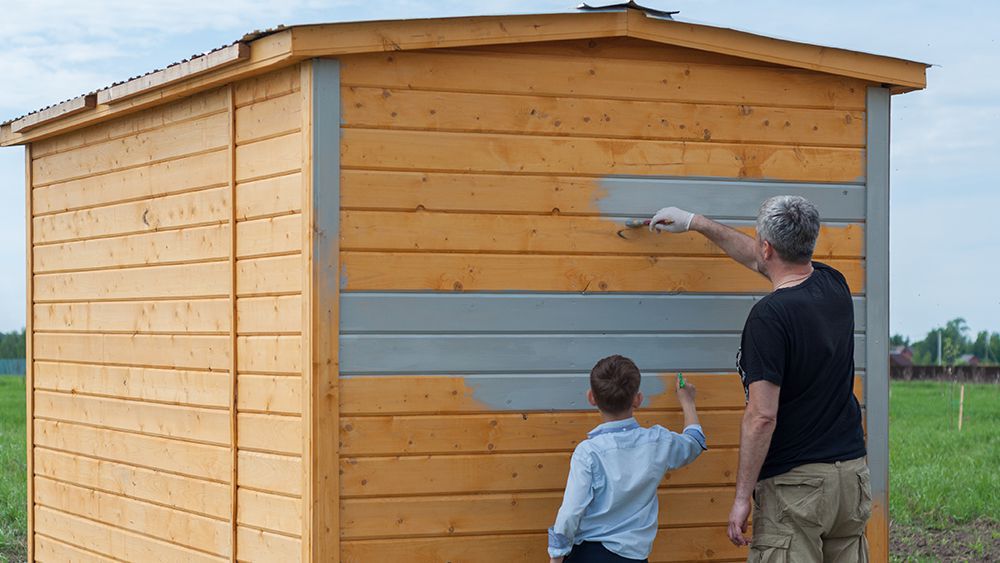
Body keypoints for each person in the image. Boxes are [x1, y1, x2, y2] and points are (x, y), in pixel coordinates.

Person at [649, 197, 871, 562]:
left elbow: (762, 416)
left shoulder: (769, 318)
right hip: (850, 478)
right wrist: (694, 222)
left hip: (797, 487)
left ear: (767, 247)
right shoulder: (833, 284)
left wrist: (741, 498)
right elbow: (760, 262)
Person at [548, 355, 706, 563]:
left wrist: (556, 557)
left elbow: (570, 513)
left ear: (591, 397)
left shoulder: (588, 452)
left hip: (589, 555)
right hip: (634, 558)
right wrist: (687, 401)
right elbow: (694, 442)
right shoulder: (657, 441)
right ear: (637, 399)